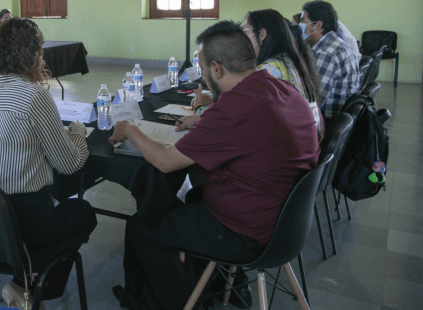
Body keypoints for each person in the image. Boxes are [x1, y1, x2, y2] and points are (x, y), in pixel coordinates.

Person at [109, 21, 319, 310]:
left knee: (142, 228)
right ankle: (221, 286)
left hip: (246, 232)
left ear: (216, 69)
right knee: (190, 198)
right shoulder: (281, 89)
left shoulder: (235, 107)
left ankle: (169, 302)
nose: (204, 74)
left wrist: (130, 129)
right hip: (287, 223)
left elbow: (166, 161)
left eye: (203, 67)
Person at [0, 18, 97, 307]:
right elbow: (69, 164)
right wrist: (77, 134)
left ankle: (24, 281)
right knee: (84, 213)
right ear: (33, 54)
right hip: (26, 220)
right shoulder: (33, 94)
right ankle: (29, 288)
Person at [176, 10, 324, 137]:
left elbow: (231, 116)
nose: (241, 38)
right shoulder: (287, 61)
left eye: (245, 32)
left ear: (262, 34)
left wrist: (200, 107)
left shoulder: (269, 70)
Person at [300, 0, 360, 120]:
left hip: (328, 120)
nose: (301, 29)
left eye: (303, 23)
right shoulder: (336, 44)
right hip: (340, 118)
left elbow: (313, 103)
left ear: (318, 26)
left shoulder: (327, 54)